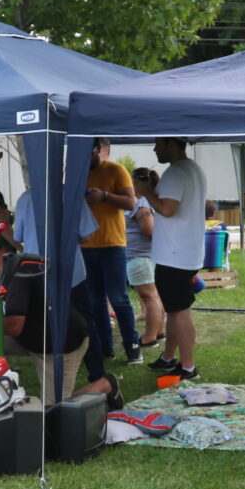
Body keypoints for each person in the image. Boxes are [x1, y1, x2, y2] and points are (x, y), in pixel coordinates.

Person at [13, 187, 118, 401]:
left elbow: (19, 237)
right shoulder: (70, 194)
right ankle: (96, 373)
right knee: (84, 324)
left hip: (38, 274)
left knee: (53, 324)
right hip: (70, 272)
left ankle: (84, 375)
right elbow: (88, 235)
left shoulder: (25, 198)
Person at [142, 137, 208, 381]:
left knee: (180, 311)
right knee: (173, 308)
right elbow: (174, 201)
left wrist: (146, 192)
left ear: (171, 144)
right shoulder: (193, 170)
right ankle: (168, 357)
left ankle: (189, 368)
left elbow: (168, 209)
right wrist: (156, 186)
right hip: (184, 251)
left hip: (174, 255)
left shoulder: (176, 172)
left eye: (158, 144)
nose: (154, 149)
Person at [81, 138, 141, 366]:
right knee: (95, 301)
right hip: (86, 247)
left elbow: (131, 202)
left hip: (113, 245)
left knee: (118, 298)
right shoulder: (78, 170)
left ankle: (132, 346)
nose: (86, 157)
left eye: (90, 152)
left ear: (100, 150)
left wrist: (104, 196)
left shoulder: (116, 170)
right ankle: (105, 347)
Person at [126, 167, 165, 350]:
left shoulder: (142, 203)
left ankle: (149, 337)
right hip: (143, 258)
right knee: (154, 296)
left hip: (140, 258)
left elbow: (149, 230)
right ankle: (159, 331)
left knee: (149, 298)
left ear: (136, 182)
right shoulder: (144, 202)